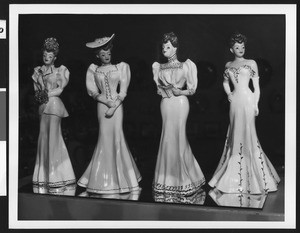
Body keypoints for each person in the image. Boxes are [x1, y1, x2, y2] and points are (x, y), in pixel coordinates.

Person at [208, 32, 280, 194]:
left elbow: (256, 87)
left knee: (249, 133)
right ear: (231, 49)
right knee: (235, 133)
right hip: (235, 103)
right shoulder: (228, 65)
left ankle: (257, 176)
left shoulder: (252, 63)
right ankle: (234, 174)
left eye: (243, 46)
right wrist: (228, 94)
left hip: (247, 100)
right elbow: (225, 83)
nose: (241, 49)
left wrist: (255, 104)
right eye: (237, 47)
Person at [77, 34, 141, 194]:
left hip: (117, 108)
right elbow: (92, 91)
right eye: (103, 54)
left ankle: (124, 179)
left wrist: (114, 106)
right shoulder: (93, 69)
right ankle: (102, 178)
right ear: (97, 55)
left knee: (117, 137)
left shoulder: (121, 67)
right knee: (104, 138)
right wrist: (106, 102)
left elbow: (123, 91)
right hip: (101, 106)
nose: (106, 57)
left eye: (108, 54)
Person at [152, 32, 205, 197]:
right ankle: (167, 179)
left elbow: (193, 89)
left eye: (168, 47)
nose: (164, 50)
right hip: (166, 103)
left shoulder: (186, 65)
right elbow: (157, 87)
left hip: (181, 102)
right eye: (163, 47)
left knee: (179, 136)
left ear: (175, 48)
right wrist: (162, 90)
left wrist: (179, 91)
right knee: (167, 136)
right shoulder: (158, 67)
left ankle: (185, 178)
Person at [32, 37, 76, 187]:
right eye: (45, 56)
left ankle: (55, 174)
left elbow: (60, 89)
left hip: (54, 106)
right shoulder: (37, 72)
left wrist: (46, 95)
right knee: (43, 138)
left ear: (55, 58)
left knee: (54, 137)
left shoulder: (60, 70)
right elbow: (37, 92)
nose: (46, 58)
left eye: (50, 56)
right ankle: (42, 174)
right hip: (42, 108)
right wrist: (39, 83)